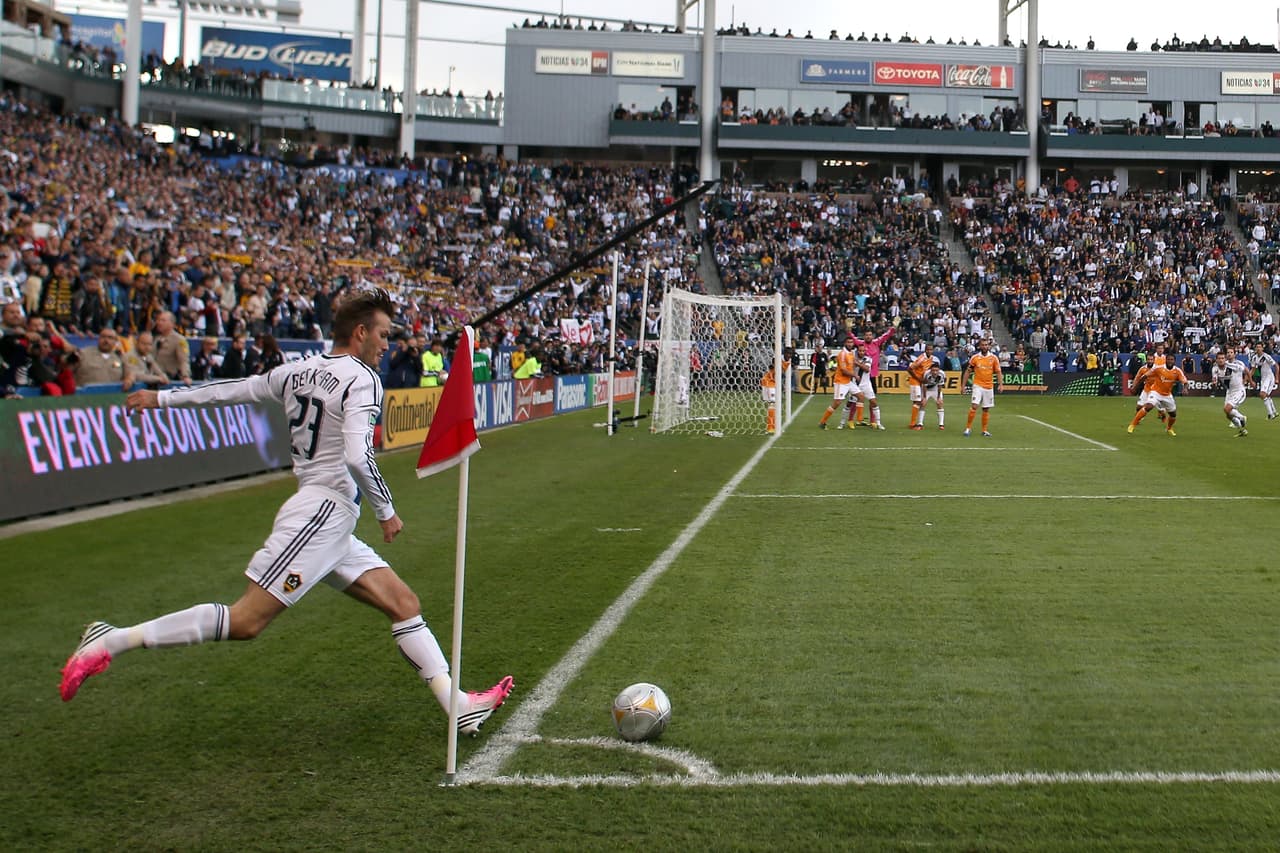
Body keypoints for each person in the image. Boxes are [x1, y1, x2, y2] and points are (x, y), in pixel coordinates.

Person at [58, 289, 514, 736]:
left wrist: (164, 398)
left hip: (329, 520)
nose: (386, 344)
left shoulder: (295, 371)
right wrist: (386, 510)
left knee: (403, 603)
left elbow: (235, 390)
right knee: (246, 621)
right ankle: (112, 638)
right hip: (321, 515)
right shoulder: (361, 378)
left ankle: (456, 705)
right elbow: (358, 456)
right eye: (383, 334)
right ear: (360, 333)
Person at [1128, 360, 1189, 436]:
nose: (1170, 361)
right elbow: (1145, 376)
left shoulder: (1177, 371)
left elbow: (1185, 382)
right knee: (1149, 406)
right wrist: (1135, 387)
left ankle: (1169, 428)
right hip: (1155, 392)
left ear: (1174, 361)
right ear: (1166, 360)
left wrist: (1185, 388)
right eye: (1169, 360)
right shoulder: (1158, 368)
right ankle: (1132, 425)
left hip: (1167, 395)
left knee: (1173, 414)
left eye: (1172, 360)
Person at [818, 337, 864, 430]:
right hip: (840, 382)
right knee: (837, 403)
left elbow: (853, 362)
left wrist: (860, 364)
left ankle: (859, 419)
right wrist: (855, 375)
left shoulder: (851, 353)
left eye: (851, 342)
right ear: (845, 343)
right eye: (848, 342)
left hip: (848, 381)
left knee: (861, 396)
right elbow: (843, 370)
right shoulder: (842, 354)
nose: (850, 344)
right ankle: (822, 422)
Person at [961, 338, 1003, 437]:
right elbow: (967, 371)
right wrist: (963, 386)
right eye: (983, 345)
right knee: (974, 406)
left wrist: (1001, 384)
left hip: (989, 387)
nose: (984, 346)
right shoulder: (975, 358)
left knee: (986, 409)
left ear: (989, 346)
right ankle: (968, 428)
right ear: (979, 346)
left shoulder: (994, 358)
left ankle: (984, 430)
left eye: (986, 345)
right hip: (978, 385)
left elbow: (998, 372)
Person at [1211, 347, 1250, 437]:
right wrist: (1214, 383)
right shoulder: (1215, 369)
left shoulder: (1233, 366)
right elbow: (1214, 379)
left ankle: (1241, 417)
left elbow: (1246, 370)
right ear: (1216, 360)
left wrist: (1250, 381)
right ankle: (1242, 430)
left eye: (1222, 358)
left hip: (1239, 391)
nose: (1221, 360)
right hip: (1229, 392)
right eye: (1219, 358)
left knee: (1227, 409)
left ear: (1225, 359)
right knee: (1228, 415)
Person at [152, 310, 192, 385]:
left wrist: (185, 375)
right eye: (158, 320)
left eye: (163, 320)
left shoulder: (179, 340)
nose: (159, 322)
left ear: (172, 324)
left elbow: (183, 360)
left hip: (168, 379)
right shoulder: (156, 338)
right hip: (154, 377)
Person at [760, 347, 792, 434]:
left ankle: (772, 426)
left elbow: (780, 372)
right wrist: (774, 363)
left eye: (790, 354)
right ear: (784, 353)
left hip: (773, 383)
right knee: (772, 404)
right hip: (768, 382)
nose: (789, 355)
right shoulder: (777, 358)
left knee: (773, 405)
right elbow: (773, 362)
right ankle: (771, 428)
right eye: (787, 353)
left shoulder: (788, 362)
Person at [1250, 342, 1278, 420]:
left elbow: (1276, 366)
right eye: (1257, 347)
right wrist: (1249, 379)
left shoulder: (1266, 356)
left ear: (1262, 348)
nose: (1258, 349)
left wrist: (1277, 378)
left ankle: (1270, 414)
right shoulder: (1254, 358)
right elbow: (1253, 369)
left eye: (1260, 347)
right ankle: (1274, 412)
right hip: (1263, 378)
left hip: (1269, 377)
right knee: (1266, 396)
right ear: (1255, 348)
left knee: (1262, 394)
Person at [906, 350, 932, 429]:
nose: (929, 351)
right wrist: (918, 379)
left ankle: (914, 423)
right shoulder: (921, 358)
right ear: (925, 350)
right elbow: (909, 369)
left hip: (920, 381)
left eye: (931, 349)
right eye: (928, 349)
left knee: (917, 402)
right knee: (917, 401)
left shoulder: (931, 358)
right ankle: (912, 424)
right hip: (915, 381)